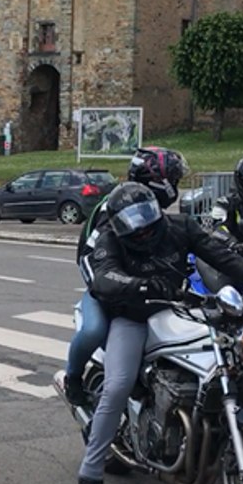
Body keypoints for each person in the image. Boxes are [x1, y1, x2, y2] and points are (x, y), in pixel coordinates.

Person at [69, 182, 243, 484]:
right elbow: (103, 277)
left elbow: (223, 257)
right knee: (117, 386)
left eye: (147, 221)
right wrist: (139, 285)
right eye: (134, 226)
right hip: (130, 315)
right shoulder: (109, 237)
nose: (143, 231)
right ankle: (89, 478)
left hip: (176, 308)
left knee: (228, 350)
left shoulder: (179, 228)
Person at [64, 147, 188, 406]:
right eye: (173, 180)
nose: (175, 186)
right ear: (155, 180)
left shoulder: (148, 206)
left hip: (142, 281)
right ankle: (73, 377)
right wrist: (110, 286)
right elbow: (93, 256)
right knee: (94, 329)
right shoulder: (115, 206)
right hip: (107, 280)